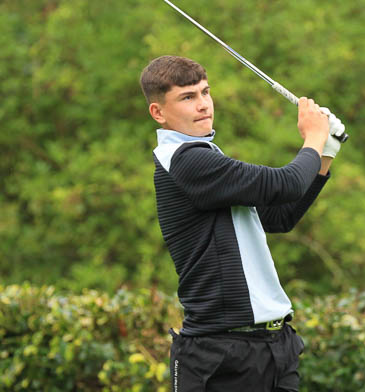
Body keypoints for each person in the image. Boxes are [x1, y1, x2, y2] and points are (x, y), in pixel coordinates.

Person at [140, 55, 345, 392]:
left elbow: (279, 217)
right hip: (219, 356)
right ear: (158, 113)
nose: (203, 104)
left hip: (273, 348)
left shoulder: (208, 157)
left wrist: (326, 152)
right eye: (187, 97)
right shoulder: (185, 161)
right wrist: (313, 137)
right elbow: (285, 184)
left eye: (205, 92)